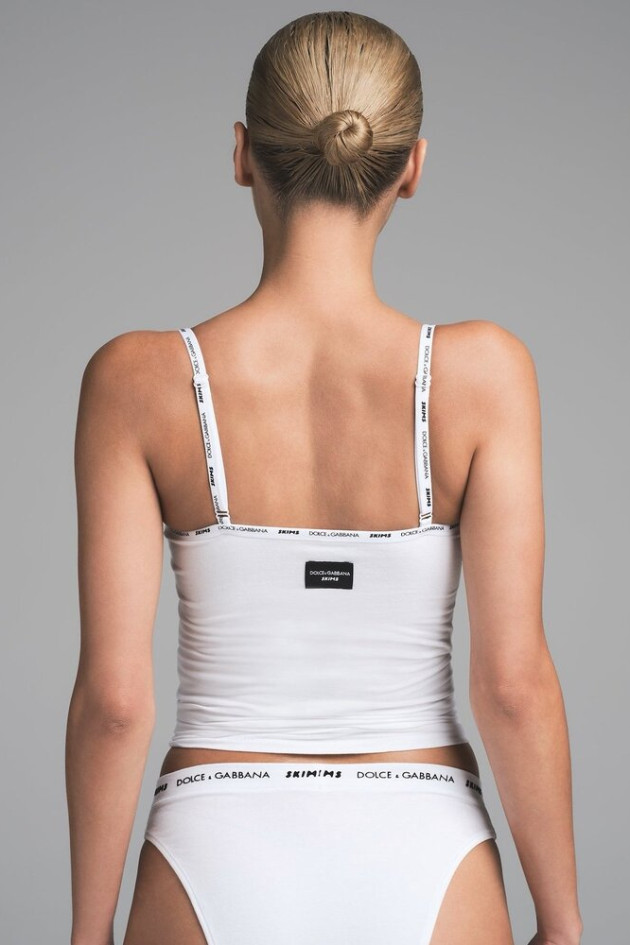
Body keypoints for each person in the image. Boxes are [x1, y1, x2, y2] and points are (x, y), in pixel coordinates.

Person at [66, 11, 583, 945]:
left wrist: (86, 930)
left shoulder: (136, 380)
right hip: (426, 838)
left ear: (242, 154)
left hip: (212, 838)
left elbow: (114, 703)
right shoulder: (484, 375)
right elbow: (512, 683)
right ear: (411, 166)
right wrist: (565, 921)